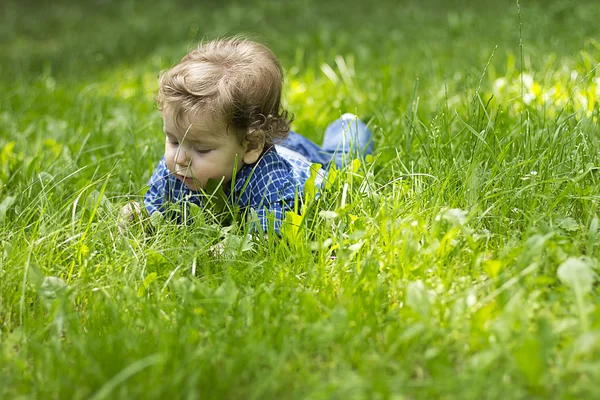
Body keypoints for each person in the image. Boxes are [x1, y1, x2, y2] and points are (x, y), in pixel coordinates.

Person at [122, 37, 373, 233]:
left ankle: (347, 128)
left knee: (344, 160)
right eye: (174, 140)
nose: (180, 158)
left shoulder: (270, 181)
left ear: (252, 145)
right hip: (266, 144)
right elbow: (157, 213)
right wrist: (141, 219)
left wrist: (231, 248)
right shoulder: (177, 168)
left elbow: (269, 236)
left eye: (202, 149)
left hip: (299, 161)